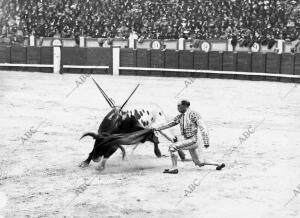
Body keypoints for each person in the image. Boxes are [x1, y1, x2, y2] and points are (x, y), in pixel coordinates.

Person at [154, 99, 225, 174]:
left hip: (193, 140)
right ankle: (219, 164)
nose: (177, 108)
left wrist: (206, 141)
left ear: (185, 106)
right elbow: (170, 124)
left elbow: (203, 127)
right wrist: (157, 128)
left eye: (179, 106)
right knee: (199, 162)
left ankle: (174, 168)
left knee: (172, 147)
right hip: (189, 140)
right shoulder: (180, 116)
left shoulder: (194, 114)